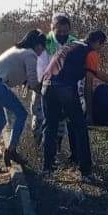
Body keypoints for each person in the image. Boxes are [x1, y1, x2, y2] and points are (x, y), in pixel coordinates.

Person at [41, 30, 108, 181]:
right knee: (80, 128)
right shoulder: (90, 52)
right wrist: (89, 114)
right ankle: (86, 172)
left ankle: (47, 169)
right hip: (64, 87)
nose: (99, 49)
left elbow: (95, 72)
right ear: (98, 43)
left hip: (47, 85)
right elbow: (89, 84)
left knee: (51, 127)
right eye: (101, 46)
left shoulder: (71, 45)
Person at [0, 29, 46, 174]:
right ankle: (11, 150)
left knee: (0, 121)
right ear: (37, 44)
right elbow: (34, 83)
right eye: (43, 46)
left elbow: (20, 75)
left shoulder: (18, 50)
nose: (43, 50)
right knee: (21, 114)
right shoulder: (30, 54)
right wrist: (47, 93)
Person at [32, 13, 77, 142]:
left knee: (61, 121)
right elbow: (38, 66)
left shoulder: (73, 42)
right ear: (52, 28)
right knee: (40, 118)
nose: (62, 34)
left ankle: (55, 149)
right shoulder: (45, 42)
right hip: (43, 85)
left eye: (65, 31)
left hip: (63, 88)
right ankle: (37, 144)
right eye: (59, 31)